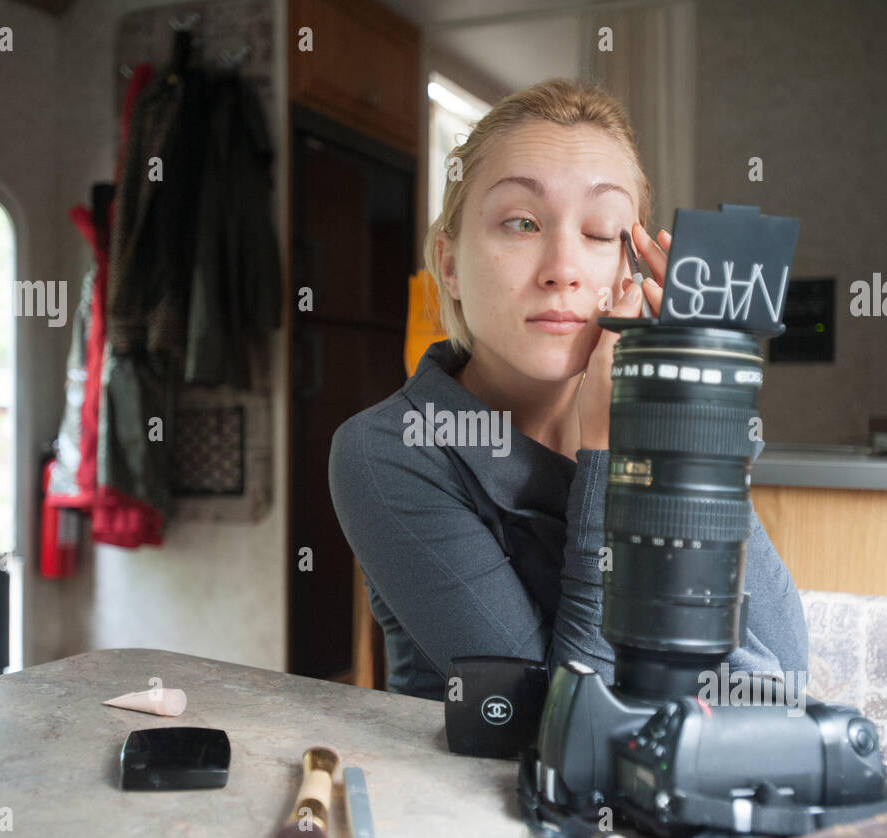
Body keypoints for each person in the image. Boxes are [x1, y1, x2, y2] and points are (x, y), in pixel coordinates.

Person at [329, 77, 809, 701]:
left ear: (631, 267)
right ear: (449, 264)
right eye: (522, 223)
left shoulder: (661, 420)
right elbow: (562, 723)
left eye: (602, 231)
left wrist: (692, 428)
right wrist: (611, 458)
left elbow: (784, 679)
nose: (563, 269)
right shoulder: (387, 451)